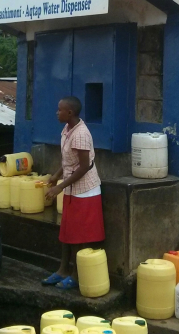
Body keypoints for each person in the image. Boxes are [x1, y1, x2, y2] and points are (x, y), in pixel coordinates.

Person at [42, 96, 105, 289]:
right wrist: (56, 175)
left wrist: (60, 186)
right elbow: (69, 161)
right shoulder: (67, 130)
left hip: (85, 190)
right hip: (71, 187)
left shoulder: (81, 134)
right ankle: (62, 270)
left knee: (81, 236)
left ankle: (77, 275)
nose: (57, 112)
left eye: (60, 110)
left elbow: (84, 166)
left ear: (70, 113)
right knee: (67, 231)